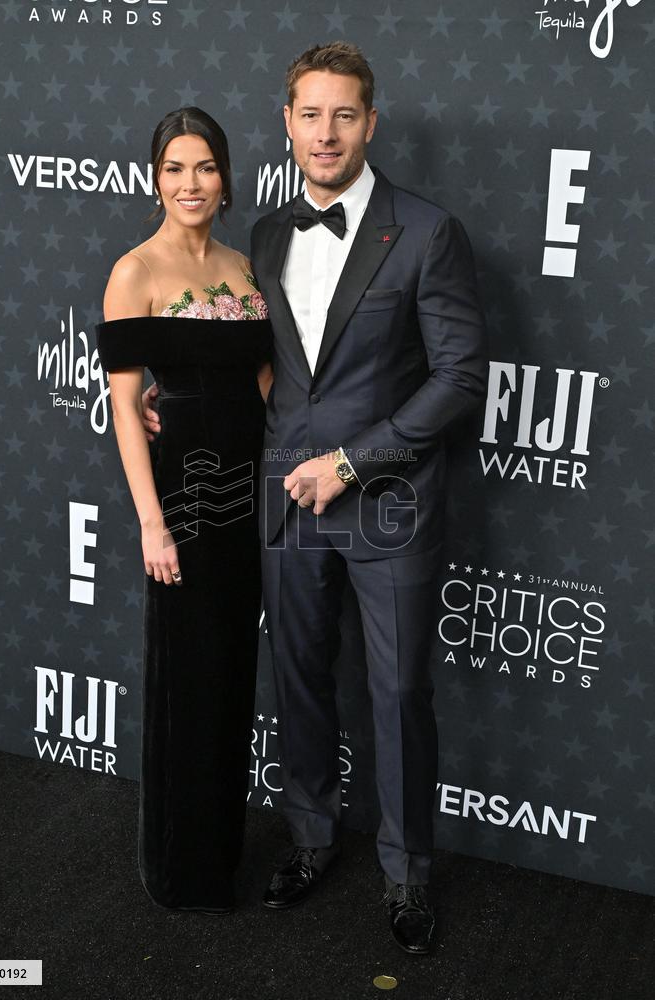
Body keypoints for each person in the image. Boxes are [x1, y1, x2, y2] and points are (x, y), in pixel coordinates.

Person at [141, 41, 487, 953]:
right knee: (297, 680)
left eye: (343, 115)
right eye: (309, 114)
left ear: (370, 123)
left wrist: (354, 463)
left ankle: (407, 875)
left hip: (390, 503)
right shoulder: (260, 235)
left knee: (399, 689)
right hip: (285, 496)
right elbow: (259, 364)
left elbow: (459, 378)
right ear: (286, 123)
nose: (325, 133)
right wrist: (162, 389)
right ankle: (308, 837)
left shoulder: (425, 230)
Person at [95, 106, 272, 914]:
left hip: (249, 494)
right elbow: (128, 409)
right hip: (185, 502)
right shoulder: (135, 273)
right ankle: (177, 866)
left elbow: (267, 385)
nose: (190, 184)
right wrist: (151, 522)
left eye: (204, 167)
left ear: (226, 178)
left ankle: (220, 855)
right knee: (187, 680)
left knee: (234, 675)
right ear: (154, 178)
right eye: (174, 168)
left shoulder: (245, 267)